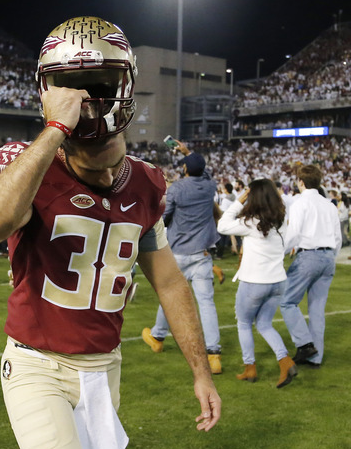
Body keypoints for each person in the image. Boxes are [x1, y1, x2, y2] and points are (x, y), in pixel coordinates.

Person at [0, 17, 220, 449]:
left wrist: (201, 373)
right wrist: (53, 131)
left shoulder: (147, 182)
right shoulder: (28, 166)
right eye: (87, 151)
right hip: (37, 364)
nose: (104, 172)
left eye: (110, 149)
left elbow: (169, 283)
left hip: (104, 367)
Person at [142, 141, 223, 374]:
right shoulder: (209, 186)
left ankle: (158, 336)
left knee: (170, 296)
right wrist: (189, 153)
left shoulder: (177, 188)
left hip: (178, 251)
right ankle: (214, 353)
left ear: (185, 170)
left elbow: (164, 216)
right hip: (202, 253)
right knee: (206, 304)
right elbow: (205, 173)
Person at [217, 179, 297, 388]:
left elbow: (222, 225)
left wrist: (238, 202)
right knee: (264, 324)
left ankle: (250, 368)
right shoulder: (281, 219)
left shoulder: (252, 221)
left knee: (244, 323)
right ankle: (285, 361)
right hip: (278, 281)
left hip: (255, 281)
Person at [280, 165, 342, 367]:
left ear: (301, 182)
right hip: (327, 257)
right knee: (317, 309)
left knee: (287, 301)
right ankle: (315, 357)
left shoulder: (300, 203)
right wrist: (331, 257)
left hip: (308, 256)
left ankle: (305, 344)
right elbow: (337, 238)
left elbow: (294, 234)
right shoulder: (330, 205)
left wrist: (278, 254)